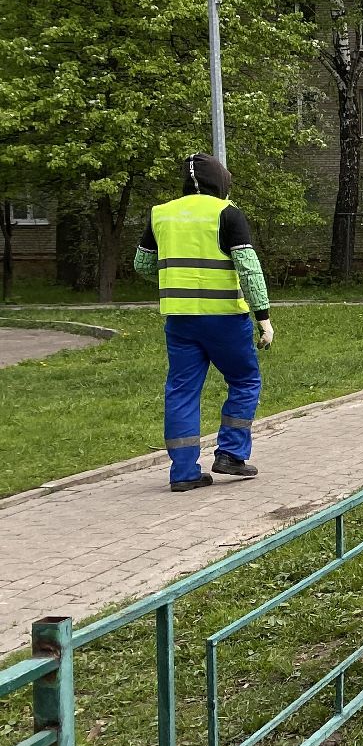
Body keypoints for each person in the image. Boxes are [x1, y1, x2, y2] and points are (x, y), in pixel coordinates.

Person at [133, 154, 273, 492]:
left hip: (180, 320)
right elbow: (248, 269)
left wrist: (176, 277)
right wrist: (264, 318)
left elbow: (142, 265)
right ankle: (231, 453)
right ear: (221, 183)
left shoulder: (160, 214)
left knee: (181, 392)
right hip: (225, 319)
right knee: (244, 380)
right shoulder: (228, 214)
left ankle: (183, 473)